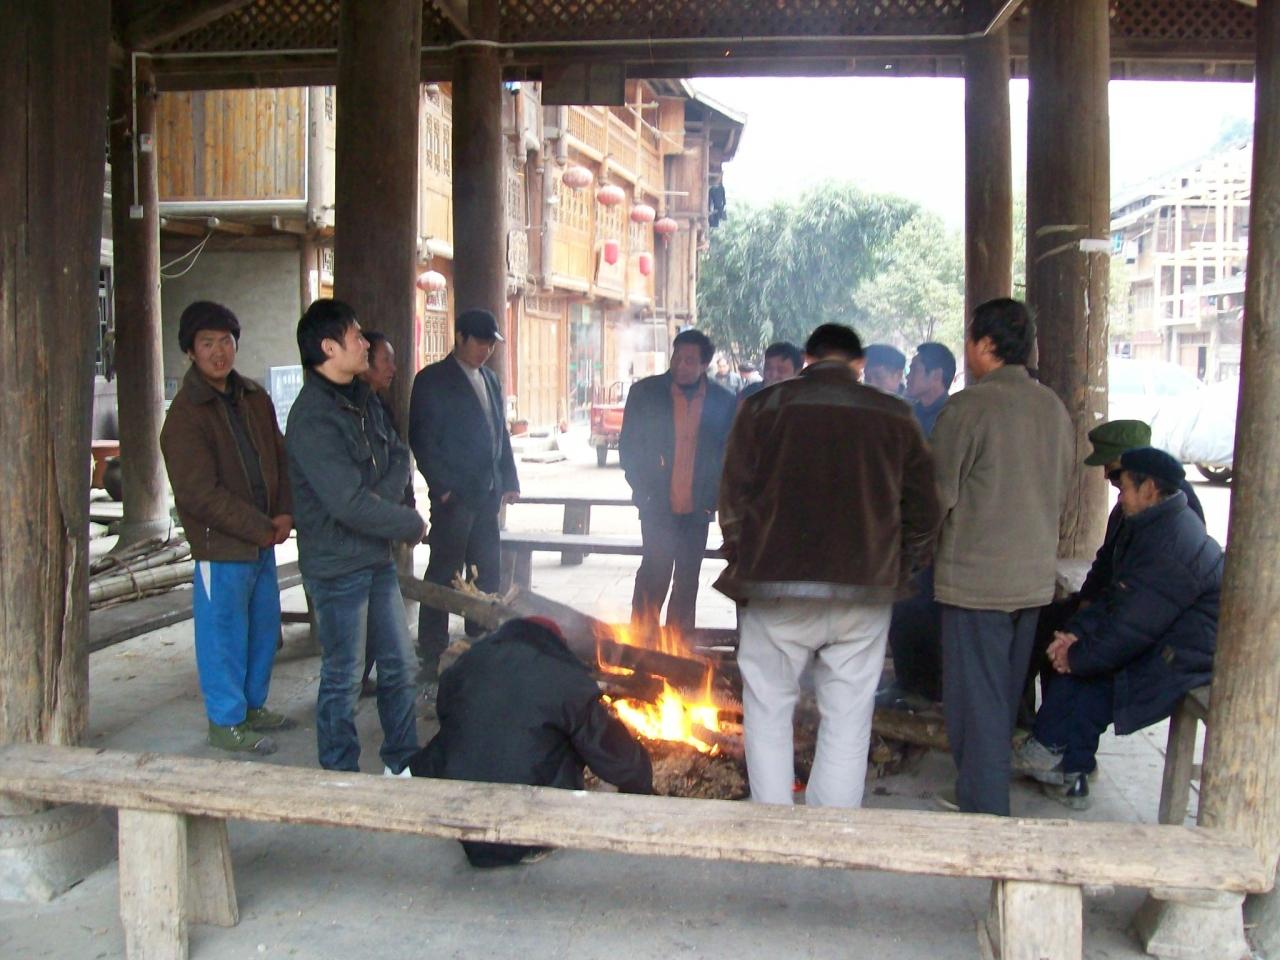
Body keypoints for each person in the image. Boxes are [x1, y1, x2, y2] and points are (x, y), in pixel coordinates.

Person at [717, 323, 941, 808]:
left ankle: (773, 826)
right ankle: (833, 830)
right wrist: (898, 565)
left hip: (775, 587)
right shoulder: (896, 414)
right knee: (848, 718)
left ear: (807, 359)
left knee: (768, 710)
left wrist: (745, 557)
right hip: (864, 590)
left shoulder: (762, 408)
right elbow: (925, 510)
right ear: (858, 364)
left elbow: (732, 499)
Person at [1013, 447, 1222, 810]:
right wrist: (1075, 634)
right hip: (1162, 633)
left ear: (1149, 489)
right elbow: (1116, 598)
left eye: (1124, 487)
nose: (1120, 496)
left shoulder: (1171, 543)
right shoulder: (1148, 524)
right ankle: (1057, 754)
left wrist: (1077, 655)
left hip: (1186, 654)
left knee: (1094, 680)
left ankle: (1065, 764)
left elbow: (1131, 628)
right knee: (1069, 650)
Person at [930, 298, 1074, 816]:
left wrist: (915, 551)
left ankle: (987, 814)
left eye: (970, 337)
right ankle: (978, 790)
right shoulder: (1052, 407)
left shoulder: (969, 408)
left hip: (977, 582)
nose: (967, 346)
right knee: (1001, 697)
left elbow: (937, 495)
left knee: (978, 706)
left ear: (986, 344)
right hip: (1031, 579)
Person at [286, 299, 426, 775]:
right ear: (329, 348)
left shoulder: (364, 400)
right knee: (344, 677)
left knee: (401, 666)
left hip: (374, 557)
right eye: (356, 336)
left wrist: (377, 503)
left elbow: (398, 457)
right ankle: (339, 774)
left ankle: (401, 763)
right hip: (337, 565)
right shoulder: (312, 418)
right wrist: (404, 521)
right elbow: (346, 504)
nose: (366, 344)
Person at [408, 616, 654, 867]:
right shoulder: (565, 678)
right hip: (528, 829)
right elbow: (613, 753)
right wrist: (642, 784)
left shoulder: (469, 662)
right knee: (572, 734)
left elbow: (448, 716)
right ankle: (534, 840)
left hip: (463, 816)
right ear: (555, 643)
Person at [160, 301, 294, 755]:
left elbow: (280, 459)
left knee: (262, 629)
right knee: (224, 637)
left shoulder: (253, 397)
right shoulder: (185, 414)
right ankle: (225, 720)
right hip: (222, 547)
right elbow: (199, 494)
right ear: (190, 351)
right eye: (207, 344)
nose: (219, 352)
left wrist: (285, 513)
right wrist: (261, 527)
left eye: (226, 341)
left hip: (263, 541)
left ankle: (253, 706)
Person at [1017, 418, 1205, 728]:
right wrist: (1086, 603)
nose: (1106, 476)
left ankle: (1056, 734)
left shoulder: (1174, 508)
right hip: (1123, 604)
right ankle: (1033, 722)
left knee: (1071, 653)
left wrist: (1083, 634)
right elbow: (1106, 561)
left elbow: (1149, 602)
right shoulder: (1127, 505)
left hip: (1155, 622)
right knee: (1041, 625)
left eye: (1111, 468)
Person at [409, 309, 520, 690]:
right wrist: (442, 487)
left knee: (486, 568)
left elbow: (500, 434)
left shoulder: (490, 379)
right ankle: (432, 649)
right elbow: (422, 438)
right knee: (444, 572)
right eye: (480, 341)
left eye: (491, 343)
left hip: (488, 493)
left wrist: (508, 479)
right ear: (460, 338)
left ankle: (481, 638)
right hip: (453, 497)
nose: (487, 349)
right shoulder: (432, 380)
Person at [620, 329, 736, 640]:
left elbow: (728, 453)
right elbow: (629, 447)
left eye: (689, 360)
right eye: (677, 357)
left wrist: (713, 499)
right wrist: (642, 490)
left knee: (687, 579)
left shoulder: (723, 401)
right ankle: (641, 642)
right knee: (654, 572)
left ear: (704, 364)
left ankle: (678, 647)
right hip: (657, 505)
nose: (680, 365)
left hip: (698, 509)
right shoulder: (645, 393)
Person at [358, 331, 414, 698]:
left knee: (384, 615)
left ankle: (369, 673)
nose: (393, 368)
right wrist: (388, 509)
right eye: (385, 360)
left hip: (387, 518)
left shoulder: (377, 405)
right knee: (361, 617)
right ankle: (358, 677)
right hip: (368, 523)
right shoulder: (347, 409)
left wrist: (405, 506)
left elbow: (400, 457)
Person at [904, 342, 956, 439]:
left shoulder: (952, 418)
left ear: (937, 375)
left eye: (914, 370)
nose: (907, 376)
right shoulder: (909, 413)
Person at [739, 341, 803, 401]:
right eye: (768, 368)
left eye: (781, 370)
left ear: (797, 372)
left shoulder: (803, 399)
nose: (773, 375)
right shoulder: (750, 394)